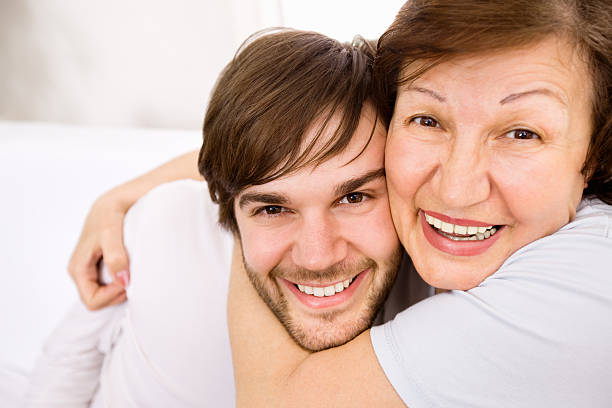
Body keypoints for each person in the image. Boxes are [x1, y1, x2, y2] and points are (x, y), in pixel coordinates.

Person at [67, 0, 612, 406]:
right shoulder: (163, 233)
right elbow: (306, 143)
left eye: (521, 134)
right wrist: (124, 193)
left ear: (595, 153)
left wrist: (251, 204)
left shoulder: (591, 282)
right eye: (426, 120)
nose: (455, 189)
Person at [25, 29, 425, 407]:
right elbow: (65, 368)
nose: (317, 257)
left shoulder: (446, 288)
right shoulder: (167, 223)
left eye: (354, 197)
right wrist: (115, 201)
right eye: (273, 209)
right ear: (229, 207)